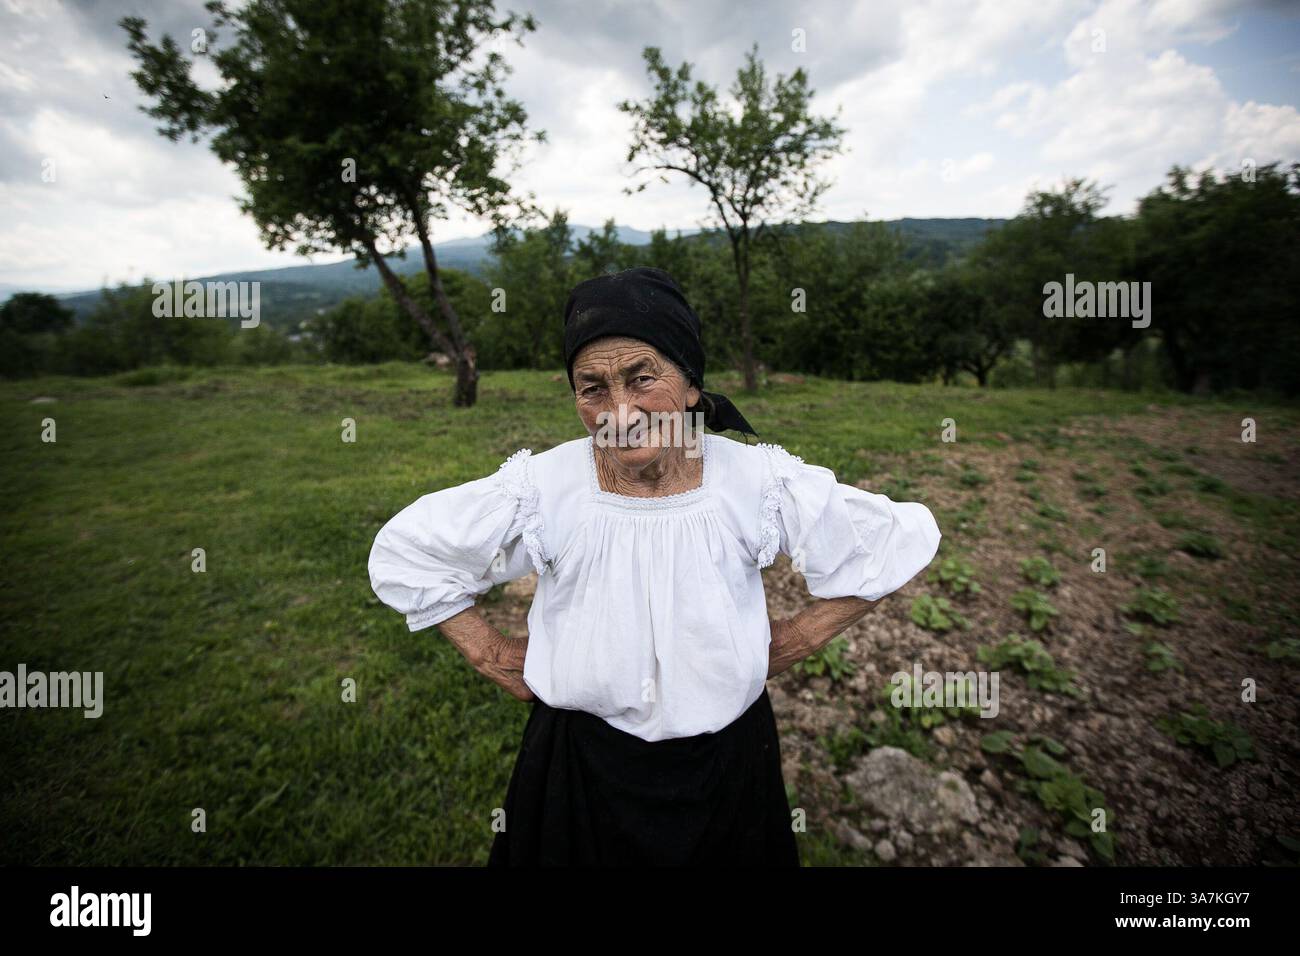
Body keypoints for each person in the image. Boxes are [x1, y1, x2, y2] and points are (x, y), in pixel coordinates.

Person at [368, 266, 941, 866]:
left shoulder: (753, 481)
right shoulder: (545, 487)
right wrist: (488, 651)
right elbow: (409, 550)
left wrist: (795, 639)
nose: (619, 410)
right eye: (592, 388)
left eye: (642, 378)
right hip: (580, 765)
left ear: (691, 386)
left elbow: (891, 542)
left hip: (725, 765)